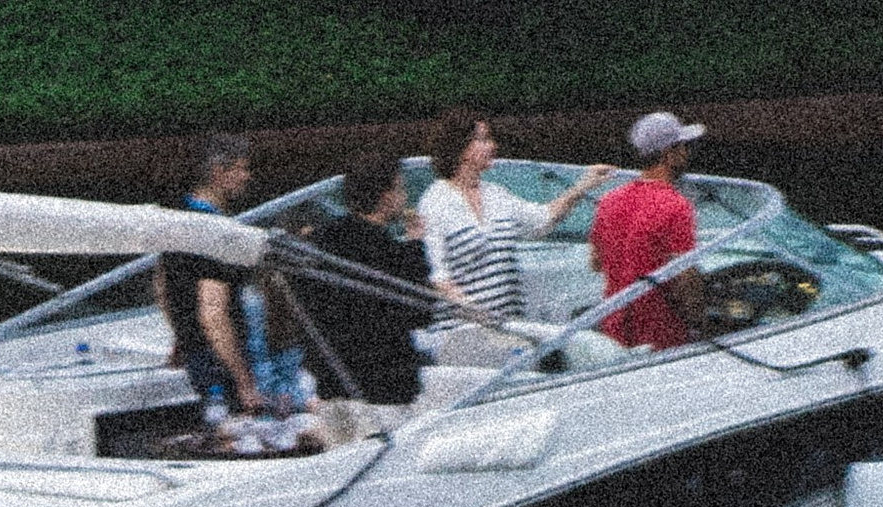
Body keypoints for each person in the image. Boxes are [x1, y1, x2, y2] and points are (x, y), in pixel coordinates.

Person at [417, 113, 608, 326]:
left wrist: (581, 187)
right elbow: (438, 277)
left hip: (508, 328)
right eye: (483, 139)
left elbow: (542, 220)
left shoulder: (496, 194)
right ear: (460, 148)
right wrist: (480, 316)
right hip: (460, 331)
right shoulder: (434, 202)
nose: (493, 145)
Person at [301, 152, 430, 421]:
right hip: (383, 392)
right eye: (401, 189)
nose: (405, 197)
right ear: (386, 197)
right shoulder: (389, 251)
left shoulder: (321, 243)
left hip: (334, 388)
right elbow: (420, 312)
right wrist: (415, 243)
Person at [156, 135, 261, 416]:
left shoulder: (178, 215)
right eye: (240, 168)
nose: (246, 177)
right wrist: (244, 380)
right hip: (220, 363)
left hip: (195, 355)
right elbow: (213, 313)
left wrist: (182, 336)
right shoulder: (215, 231)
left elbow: (163, 286)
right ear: (218, 172)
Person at [591, 111, 711, 351]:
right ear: (670, 155)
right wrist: (703, 323)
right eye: (684, 147)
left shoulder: (608, 200)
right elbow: (685, 278)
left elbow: (596, 262)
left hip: (614, 331)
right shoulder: (676, 205)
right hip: (661, 336)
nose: (688, 153)